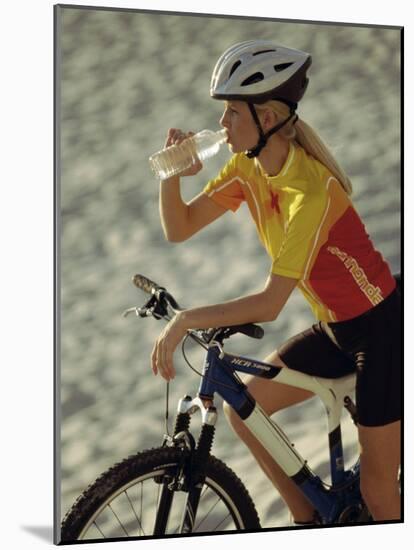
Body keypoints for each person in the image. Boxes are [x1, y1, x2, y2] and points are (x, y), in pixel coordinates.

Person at [151, 40, 401, 524]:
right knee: (246, 409)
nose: (222, 125)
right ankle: (306, 519)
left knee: (378, 494)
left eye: (231, 114)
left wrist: (186, 319)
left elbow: (270, 304)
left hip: (381, 331)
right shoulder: (248, 167)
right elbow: (178, 228)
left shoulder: (311, 192)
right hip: (335, 330)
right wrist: (171, 174)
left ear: (266, 119)